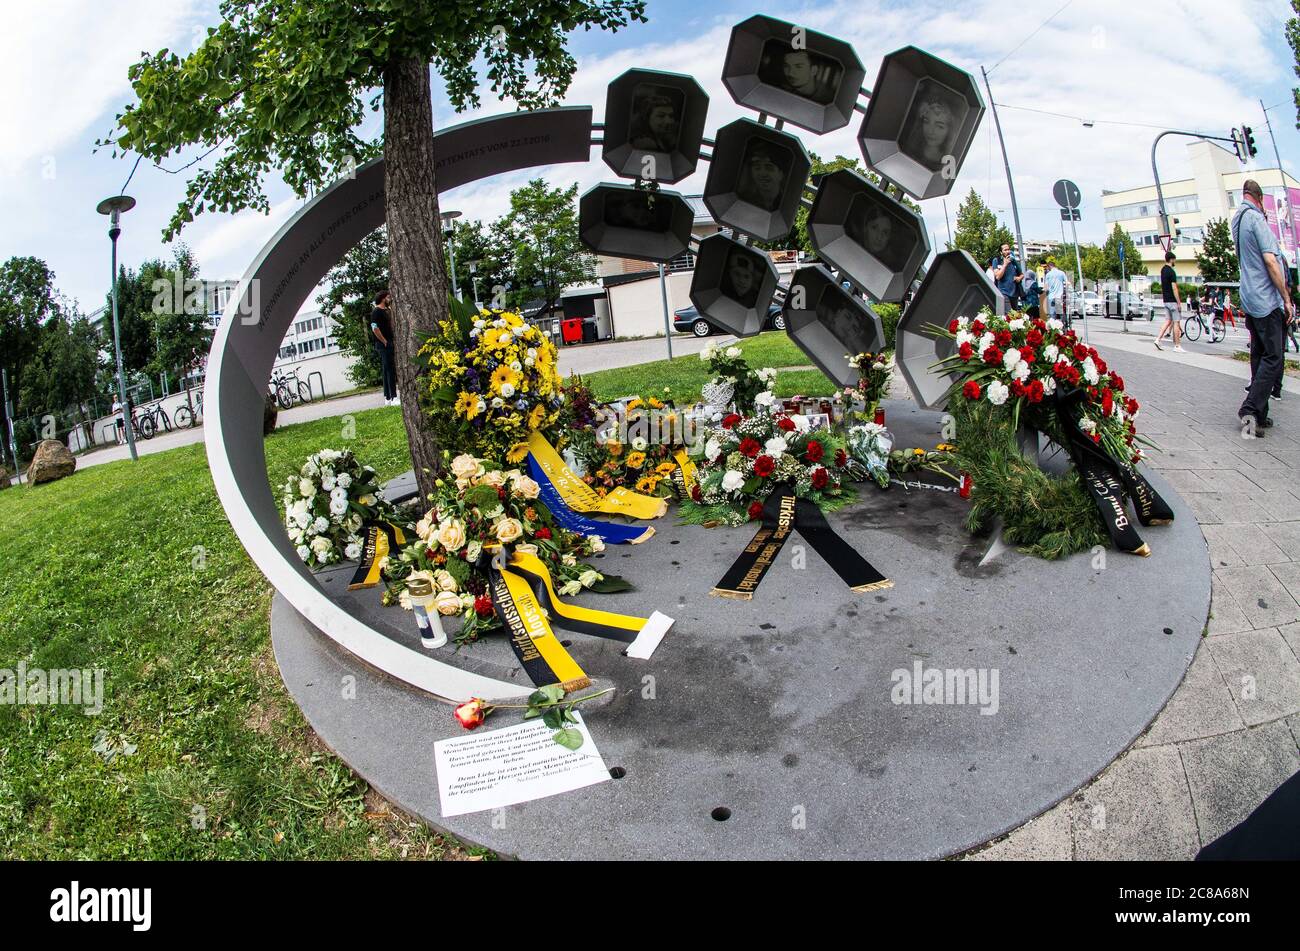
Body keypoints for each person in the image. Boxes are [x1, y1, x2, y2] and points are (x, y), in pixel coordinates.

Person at [1235, 179, 1295, 435]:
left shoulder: (1237, 219)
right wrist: (1286, 298)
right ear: (1259, 198)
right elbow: (1271, 261)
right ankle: (1250, 408)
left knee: (1259, 355)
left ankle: (1259, 414)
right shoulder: (1257, 219)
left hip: (1249, 297)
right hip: (1266, 299)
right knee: (1274, 357)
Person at [370, 289, 398, 405]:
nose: (390, 299)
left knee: (386, 369)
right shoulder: (376, 312)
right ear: (383, 299)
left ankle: (387, 397)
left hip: (389, 342)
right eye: (388, 297)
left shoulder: (387, 310)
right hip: (383, 344)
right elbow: (374, 328)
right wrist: (384, 340)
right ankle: (394, 397)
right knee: (390, 369)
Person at [1153, 251, 1185, 352]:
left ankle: (1158, 339)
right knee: (1176, 322)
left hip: (1165, 300)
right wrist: (1179, 302)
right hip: (1172, 300)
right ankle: (1177, 346)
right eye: (1174, 259)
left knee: (1167, 321)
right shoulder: (1171, 271)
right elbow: (1174, 288)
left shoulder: (1163, 270)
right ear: (1171, 259)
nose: (1175, 261)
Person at [989, 242, 1022, 309]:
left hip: (1015, 293)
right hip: (1004, 293)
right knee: (1008, 314)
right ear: (1001, 252)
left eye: (1008, 249)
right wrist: (1005, 264)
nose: (1008, 251)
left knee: (1015, 316)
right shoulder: (997, 260)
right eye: (1005, 250)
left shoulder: (1013, 261)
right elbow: (998, 277)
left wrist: (1019, 278)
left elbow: (1021, 274)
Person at [1042, 259, 1066, 323]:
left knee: (1052, 315)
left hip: (1051, 297)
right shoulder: (1061, 273)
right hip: (1059, 296)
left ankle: (1054, 329)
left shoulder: (1048, 274)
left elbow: (1046, 288)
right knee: (1061, 313)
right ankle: (1063, 326)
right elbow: (1067, 283)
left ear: (1049, 266)